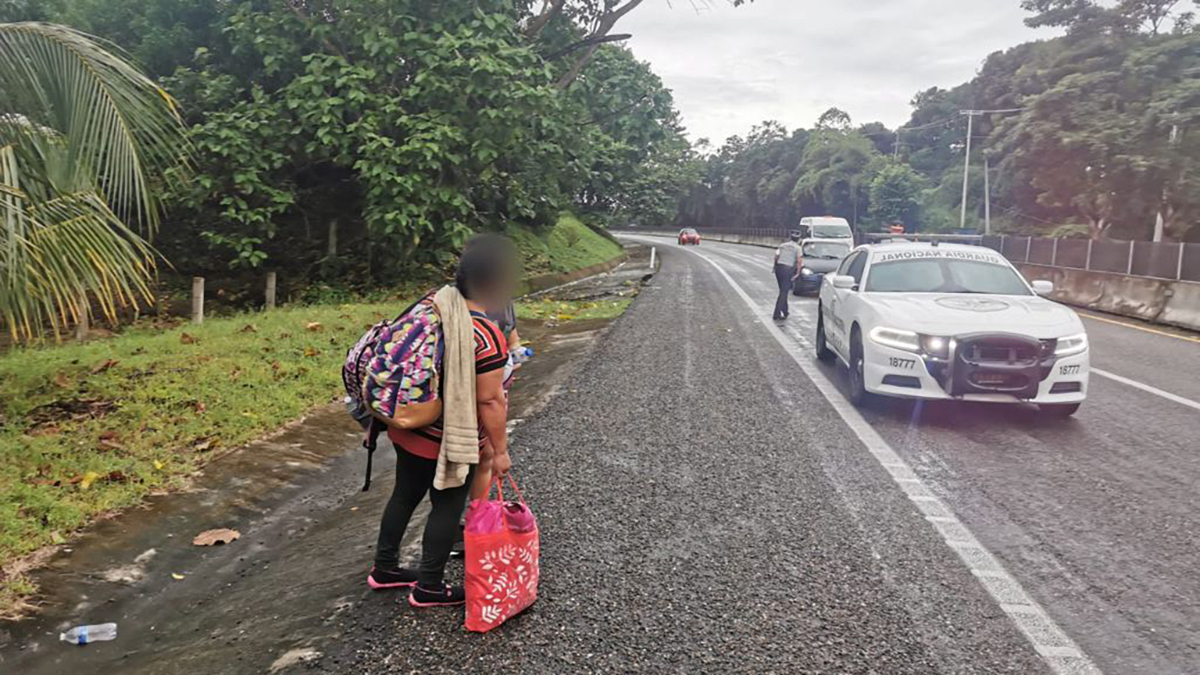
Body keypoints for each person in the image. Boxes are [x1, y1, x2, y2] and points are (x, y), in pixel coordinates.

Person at [367, 233, 517, 608]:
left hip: (408, 424)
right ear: (492, 284)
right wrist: (500, 452)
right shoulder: (485, 334)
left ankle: (384, 568)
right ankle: (430, 586)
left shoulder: (433, 306)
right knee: (447, 506)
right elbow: (490, 399)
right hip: (446, 439)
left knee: (404, 494)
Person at [773, 230, 803, 321]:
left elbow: (776, 256)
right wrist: (798, 273)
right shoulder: (798, 248)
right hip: (788, 269)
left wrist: (775, 266)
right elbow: (799, 261)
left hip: (779, 268)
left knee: (783, 290)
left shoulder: (782, 245)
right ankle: (776, 313)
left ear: (790, 237)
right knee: (784, 291)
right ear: (798, 239)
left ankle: (785, 311)